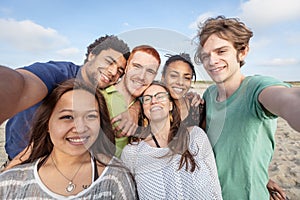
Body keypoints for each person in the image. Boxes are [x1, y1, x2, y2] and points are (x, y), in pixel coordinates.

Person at [194, 15, 300, 199]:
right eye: (205, 56)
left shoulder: (256, 88)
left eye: (221, 51)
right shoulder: (209, 95)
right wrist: (263, 177)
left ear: (242, 52)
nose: (211, 61)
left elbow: (288, 100)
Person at [0, 35, 130, 162]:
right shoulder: (59, 74)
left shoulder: (102, 93)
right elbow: (22, 84)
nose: (113, 72)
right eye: (109, 62)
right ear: (92, 56)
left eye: (119, 71)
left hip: (59, 168)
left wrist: (134, 110)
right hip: (19, 162)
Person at [0, 79, 137, 199]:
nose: (80, 128)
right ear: (47, 123)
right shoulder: (10, 183)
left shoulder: (116, 177)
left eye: (90, 116)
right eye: (67, 117)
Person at [121, 81, 222, 199]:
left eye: (160, 96)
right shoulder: (132, 153)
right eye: (147, 99)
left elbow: (215, 187)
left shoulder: (196, 136)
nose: (154, 101)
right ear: (143, 109)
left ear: (170, 105)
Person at [102, 45, 161, 157]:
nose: (141, 76)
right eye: (137, 66)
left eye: (150, 71)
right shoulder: (99, 98)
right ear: (127, 66)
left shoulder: (150, 104)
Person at [161, 53, 205, 128]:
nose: (180, 82)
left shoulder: (197, 108)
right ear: (163, 78)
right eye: (174, 76)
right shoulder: (151, 104)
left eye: (186, 78)